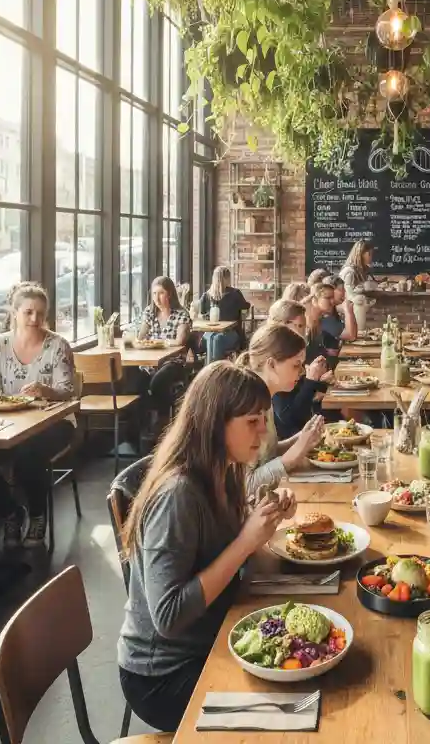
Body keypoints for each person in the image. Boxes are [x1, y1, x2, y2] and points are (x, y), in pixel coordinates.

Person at [118, 363, 298, 732]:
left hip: (212, 634)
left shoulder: (226, 471)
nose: (264, 431)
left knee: (303, 675)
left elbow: (232, 554)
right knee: (296, 712)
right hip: (164, 676)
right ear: (216, 422)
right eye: (252, 421)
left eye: (262, 418)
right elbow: (167, 617)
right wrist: (247, 541)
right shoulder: (178, 495)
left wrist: (265, 524)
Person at [0, 282, 76, 549]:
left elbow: (68, 391)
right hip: (8, 424)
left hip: (56, 421)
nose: (35, 319)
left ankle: (37, 513)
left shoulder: (57, 345)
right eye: (28, 312)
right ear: (15, 313)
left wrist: (46, 389)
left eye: (40, 313)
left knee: (29, 452)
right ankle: (10, 512)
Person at [235, 323, 326, 497]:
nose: (301, 372)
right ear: (272, 365)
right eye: (295, 365)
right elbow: (246, 486)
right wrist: (292, 456)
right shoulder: (246, 406)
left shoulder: (264, 399)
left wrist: (300, 439)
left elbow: (266, 454)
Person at [267, 300, 332, 438]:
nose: (305, 332)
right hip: (290, 440)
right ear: (282, 325)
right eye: (300, 326)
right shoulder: (277, 358)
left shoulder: (291, 353)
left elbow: (300, 397)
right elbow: (289, 418)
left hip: (303, 432)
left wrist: (319, 382)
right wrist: (312, 381)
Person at [137, 276, 192, 427]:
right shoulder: (149, 312)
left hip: (173, 362)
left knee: (158, 382)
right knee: (135, 381)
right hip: (150, 362)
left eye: (161, 293)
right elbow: (140, 337)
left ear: (170, 294)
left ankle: (162, 421)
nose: (157, 298)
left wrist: (157, 342)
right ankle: (140, 425)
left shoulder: (181, 314)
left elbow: (180, 341)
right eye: (154, 294)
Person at [198, 266, 248, 363]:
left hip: (209, 333)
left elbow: (201, 314)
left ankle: (209, 370)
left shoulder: (206, 295)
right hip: (231, 333)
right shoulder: (235, 294)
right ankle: (216, 371)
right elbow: (246, 306)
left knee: (211, 338)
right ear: (226, 278)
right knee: (216, 339)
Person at [307, 279, 357, 360]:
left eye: (333, 297)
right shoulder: (321, 320)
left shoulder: (325, 317)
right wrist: (348, 311)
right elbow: (351, 336)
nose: (333, 301)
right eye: (328, 298)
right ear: (315, 300)